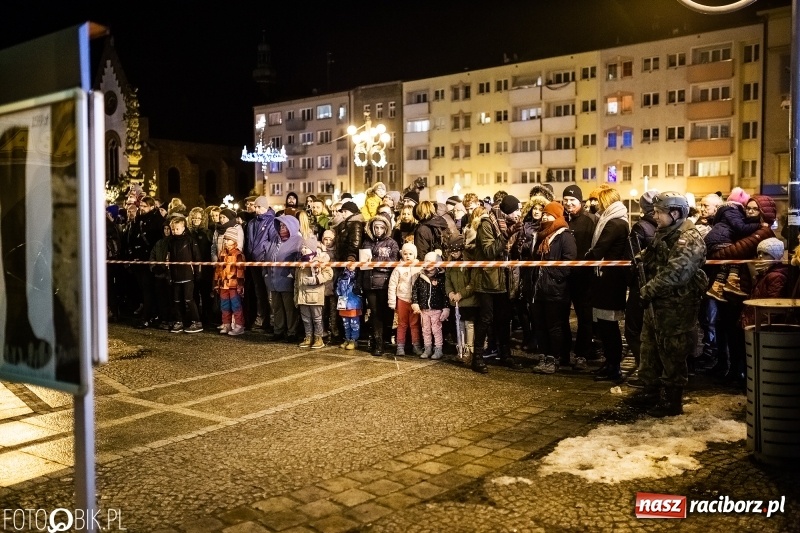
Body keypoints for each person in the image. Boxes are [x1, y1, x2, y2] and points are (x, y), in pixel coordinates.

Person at [636, 192, 708, 417]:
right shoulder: (665, 232)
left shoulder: (689, 238)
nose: (655, 216)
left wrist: (649, 290)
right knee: (650, 346)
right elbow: (655, 255)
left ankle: (671, 400)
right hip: (658, 304)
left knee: (672, 350)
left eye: (659, 212)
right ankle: (651, 390)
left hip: (677, 306)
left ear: (675, 213)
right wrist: (641, 258)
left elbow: (676, 273)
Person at [471, 194, 524, 372]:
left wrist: (519, 238)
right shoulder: (487, 223)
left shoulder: (510, 224)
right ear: (507, 211)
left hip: (504, 279)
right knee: (485, 319)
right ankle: (477, 358)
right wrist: (508, 234)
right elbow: (488, 251)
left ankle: (505, 355)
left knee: (504, 319)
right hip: (487, 279)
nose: (519, 213)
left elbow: (512, 252)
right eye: (516, 209)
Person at [585, 188, 629, 382]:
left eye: (598, 201)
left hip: (609, 281)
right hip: (608, 278)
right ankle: (610, 364)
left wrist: (586, 257)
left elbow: (599, 250)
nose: (596, 205)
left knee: (608, 326)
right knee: (606, 326)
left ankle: (614, 367)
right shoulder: (618, 220)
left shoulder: (614, 223)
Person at [530, 202, 577, 374]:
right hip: (538, 290)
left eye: (548, 215)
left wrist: (552, 275)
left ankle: (554, 358)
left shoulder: (564, 235)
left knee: (554, 326)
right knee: (540, 325)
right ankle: (544, 355)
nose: (544, 217)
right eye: (543, 214)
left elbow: (569, 261)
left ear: (557, 217)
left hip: (556, 290)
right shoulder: (540, 235)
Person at [704, 188, 765, 301]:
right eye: (748, 207)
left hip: (717, 239)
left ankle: (717, 288)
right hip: (719, 240)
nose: (749, 211)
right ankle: (731, 283)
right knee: (735, 257)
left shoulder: (728, 210)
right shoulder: (732, 211)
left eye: (755, 209)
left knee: (727, 263)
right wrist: (759, 225)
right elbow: (741, 228)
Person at [561, 185, 598, 363]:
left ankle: (582, 353)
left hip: (584, 278)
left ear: (580, 201)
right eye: (565, 200)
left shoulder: (590, 221)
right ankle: (564, 352)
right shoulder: (560, 219)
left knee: (584, 317)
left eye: (572, 200)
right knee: (562, 316)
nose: (568, 203)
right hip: (563, 277)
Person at [624, 190, 659, 373]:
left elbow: (633, 259)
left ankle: (644, 368)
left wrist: (630, 282)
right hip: (658, 286)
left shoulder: (640, 228)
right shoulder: (665, 228)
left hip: (641, 285)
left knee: (633, 330)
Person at [359, 213, 399, 355]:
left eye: (381, 227)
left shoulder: (391, 243)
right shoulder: (366, 242)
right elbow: (362, 265)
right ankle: (378, 342)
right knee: (375, 313)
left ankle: (384, 340)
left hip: (384, 282)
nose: (378, 230)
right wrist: (360, 282)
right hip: (369, 282)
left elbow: (393, 261)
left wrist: (375, 259)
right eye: (376, 227)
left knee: (385, 313)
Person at [266, 214, 304, 342]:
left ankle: (291, 332)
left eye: (285, 226)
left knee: (289, 309)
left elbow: (299, 259)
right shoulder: (275, 240)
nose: (282, 228)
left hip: (287, 280)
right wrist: (266, 274)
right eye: (280, 225)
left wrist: (291, 274)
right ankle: (278, 331)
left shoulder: (297, 241)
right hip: (273, 279)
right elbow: (268, 258)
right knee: (277, 307)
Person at [166, 215, 204, 334]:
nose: (174, 231)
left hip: (188, 275)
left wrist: (197, 273)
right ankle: (179, 321)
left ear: (183, 228)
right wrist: (169, 274)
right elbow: (168, 259)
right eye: (173, 229)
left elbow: (197, 257)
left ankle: (196, 322)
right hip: (175, 275)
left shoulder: (190, 240)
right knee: (176, 300)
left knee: (189, 299)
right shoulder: (170, 242)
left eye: (177, 228)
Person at [295, 236, 334, 349]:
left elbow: (329, 273)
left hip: (315, 295)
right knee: (306, 319)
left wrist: (316, 280)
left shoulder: (319, 261)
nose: (303, 249)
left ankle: (318, 337)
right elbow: (297, 280)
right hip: (302, 295)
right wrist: (296, 293)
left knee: (317, 318)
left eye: (305, 247)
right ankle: (308, 337)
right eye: (302, 247)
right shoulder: (300, 262)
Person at [244, 196, 275, 332]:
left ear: (265, 207)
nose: (256, 209)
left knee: (269, 293)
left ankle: (273, 322)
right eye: (255, 207)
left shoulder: (272, 222)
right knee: (259, 292)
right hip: (253, 262)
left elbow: (272, 242)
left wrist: (264, 254)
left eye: (258, 207)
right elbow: (248, 241)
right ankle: (261, 320)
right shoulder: (251, 223)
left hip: (264, 261)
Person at [412, 251, 450, 359]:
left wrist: (446, 308)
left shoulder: (441, 278)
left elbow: (445, 294)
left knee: (436, 330)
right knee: (426, 330)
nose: (428, 265)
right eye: (427, 262)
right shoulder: (420, 277)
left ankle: (438, 349)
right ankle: (427, 348)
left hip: (437, 310)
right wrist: (415, 302)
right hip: (424, 310)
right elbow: (415, 290)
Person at [388, 242, 423, 356]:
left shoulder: (419, 268)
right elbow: (392, 285)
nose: (407, 256)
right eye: (405, 253)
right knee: (402, 324)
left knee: (415, 324)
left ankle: (416, 345)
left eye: (410, 254)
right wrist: (392, 301)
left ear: (415, 255)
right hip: (402, 299)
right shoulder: (398, 268)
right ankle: (400, 346)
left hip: (415, 301)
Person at [214, 227, 247, 336]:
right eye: (225, 239)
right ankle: (226, 323)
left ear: (235, 240)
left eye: (229, 239)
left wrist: (240, 285)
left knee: (236, 305)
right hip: (224, 285)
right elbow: (218, 270)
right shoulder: (222, 253)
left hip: (234, 285)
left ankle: (239, 325)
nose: (226, 241)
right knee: (224, 305)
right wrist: (216, 283)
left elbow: (240, 272)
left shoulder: (238, 254)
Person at [148, 220, 173, 331]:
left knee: (171, 299)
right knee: (161, 299)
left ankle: (172, 320)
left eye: (168, 229)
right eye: (165, 229)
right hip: (159, 276)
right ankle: (164, 319)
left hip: (170, 276)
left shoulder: (174, 242)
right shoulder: (159, 242)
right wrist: (154, 268)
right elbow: (152, 256)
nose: (167, 231)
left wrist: (166, 269)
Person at [336, 267, 363, 350]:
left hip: (354, 303)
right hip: (343, 303)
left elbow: (361, 289)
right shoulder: (342, 275)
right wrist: (338, 295)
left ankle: (354, 340)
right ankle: (347, 339)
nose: (350, 265)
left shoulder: (358, 276)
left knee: (354, 323)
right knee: (346, 324)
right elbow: (337, 288)